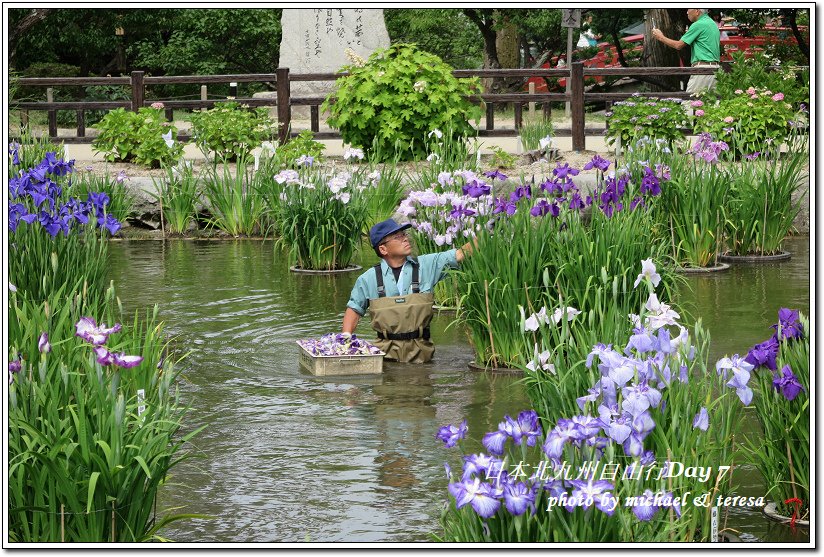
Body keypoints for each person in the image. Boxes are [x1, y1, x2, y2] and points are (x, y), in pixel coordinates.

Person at [342, 218, 473, 364]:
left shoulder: (427, 265)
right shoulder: (368, 279)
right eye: (397, 237)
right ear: (383, 249)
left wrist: (489, 231)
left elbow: (460, 254)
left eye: (404, 234)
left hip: (423, 356)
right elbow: (354, 309)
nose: (405, 239)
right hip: (384, 358)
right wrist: (346, 339)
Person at [651, 8, 721, 95]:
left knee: (688, 104)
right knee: (711, 105)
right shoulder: (712, 24)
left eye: (688, 9)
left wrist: (661, 37)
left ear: (697, 11)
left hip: (702, 70)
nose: (687, 12)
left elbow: (678, 45)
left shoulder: (698, 25)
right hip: (716, 70)